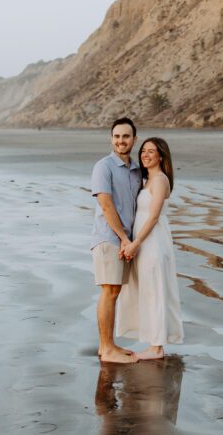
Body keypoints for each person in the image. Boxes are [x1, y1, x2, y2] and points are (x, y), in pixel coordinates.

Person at [116, 137, 184, 360]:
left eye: (151, 151)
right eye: (143, 150)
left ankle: (157, 348)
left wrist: (135, 243)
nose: (145, 155)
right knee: (147, 290)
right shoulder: (148, 179)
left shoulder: (160, 180)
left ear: (161, 156)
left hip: (153, 242)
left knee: (155, 290)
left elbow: (153, 216)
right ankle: (154, 343)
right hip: (144, 242)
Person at [91, 117, 142, 364]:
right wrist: (123, 238)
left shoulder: (135, 169)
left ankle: (107, 345)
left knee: (115, 291)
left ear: (134, 139)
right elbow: (105, 203)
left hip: (125, 241)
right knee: (109, 291)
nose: (121, 141)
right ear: (111, 139)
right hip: (108, 238)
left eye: (126, 136)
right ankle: (107, 348)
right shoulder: (104, 166)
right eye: (117, 136)